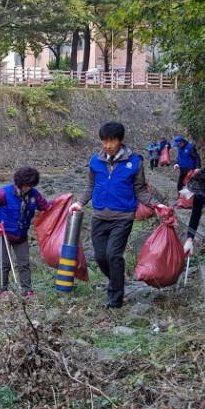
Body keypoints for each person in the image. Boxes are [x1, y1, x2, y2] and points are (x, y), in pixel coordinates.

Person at [70, 122, 162, 308]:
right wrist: (79, 203)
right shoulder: (95, 161)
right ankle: (117, 281)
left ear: (120, 140)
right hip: (99, 216)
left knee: (113, 254)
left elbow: (140, 189)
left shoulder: (134, 161)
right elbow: (90, 186)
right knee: (100, 257)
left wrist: (156, 204)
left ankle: (115, 296)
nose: (107, 145)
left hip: (123, 217)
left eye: (111, 141)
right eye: (104, 141)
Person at [0, 167, 51, 298]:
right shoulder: (3, 193)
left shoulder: (34, 195)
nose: (28, 189)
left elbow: (46, 207)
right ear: (19, 183)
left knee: (24, 262)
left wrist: (63, 204)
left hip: (21, 234)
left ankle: (27, 290)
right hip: (3, 233)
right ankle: (4, 290)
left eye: (31, 186)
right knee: (5, 264)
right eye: (26, 186)